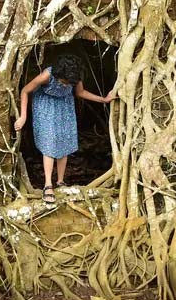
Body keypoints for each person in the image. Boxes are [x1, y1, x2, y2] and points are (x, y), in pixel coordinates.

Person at [14, 55, 116, 203]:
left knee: (65, 139)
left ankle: (60, 181)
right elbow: (25, 90)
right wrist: (23, 117)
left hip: (64, 107)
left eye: (69, 83)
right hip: (46, 106)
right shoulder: (47, 75)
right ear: (59, 74)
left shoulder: (74, 76)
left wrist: (103, 99)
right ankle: (48, 185)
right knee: (50, 142)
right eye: (64, 82)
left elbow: (80, 92)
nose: (65, 84)